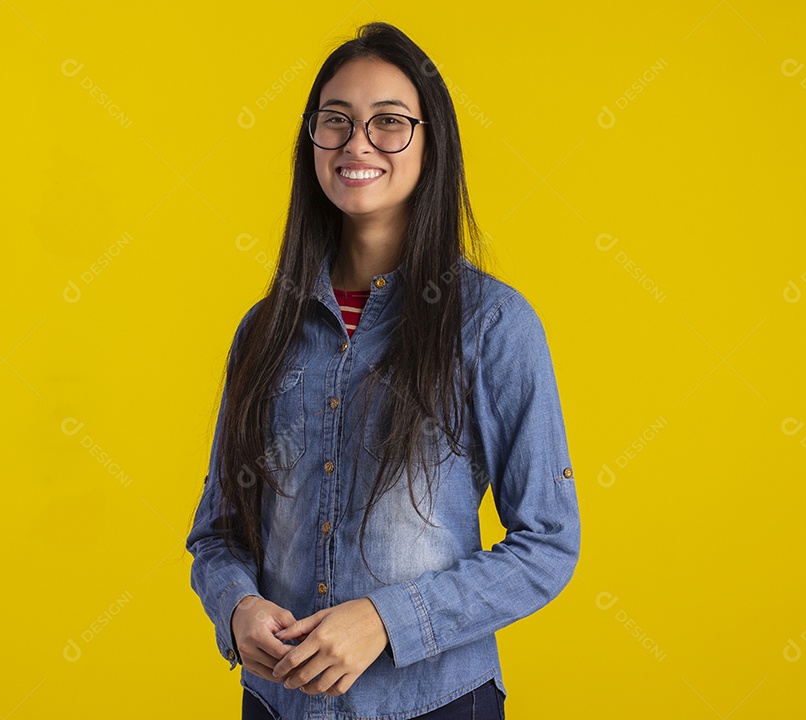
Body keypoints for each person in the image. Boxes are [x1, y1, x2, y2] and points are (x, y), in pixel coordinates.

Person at [185, 21, 580, 720]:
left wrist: (387, 619)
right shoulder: (263, 330)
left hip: (435, 703)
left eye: (389, 123)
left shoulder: (492, 324)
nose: (357, 144)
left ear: (433, 143)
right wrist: (237, 607)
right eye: (334, 122)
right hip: (278, 707)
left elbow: (548, 545)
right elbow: (217, 532)